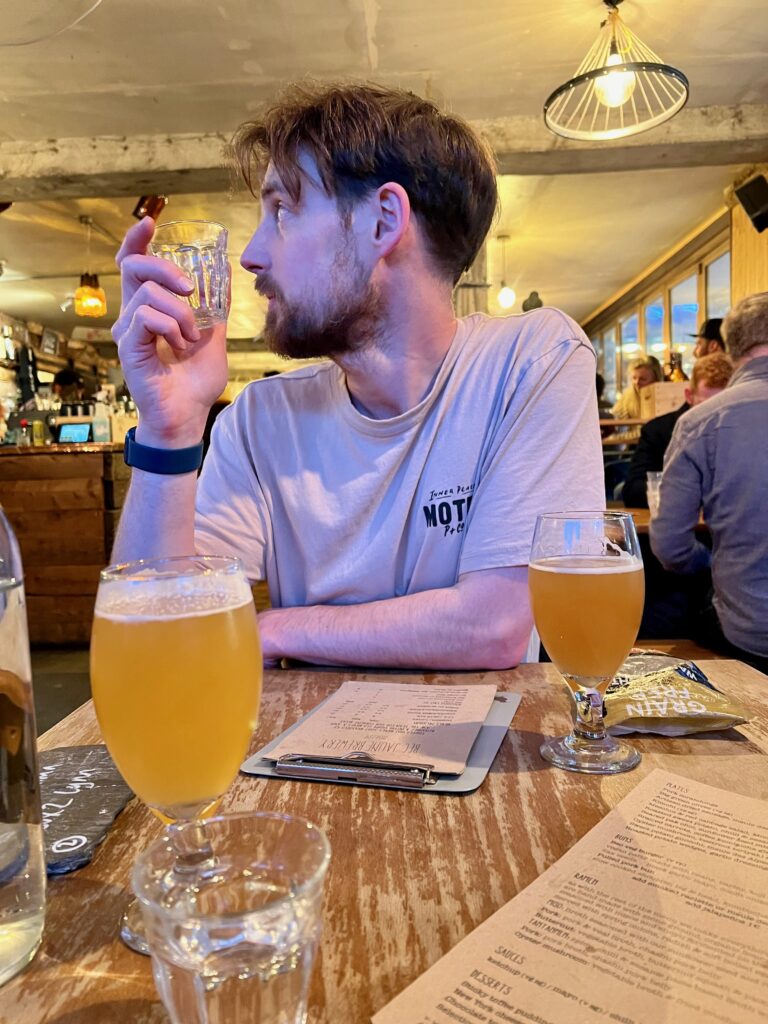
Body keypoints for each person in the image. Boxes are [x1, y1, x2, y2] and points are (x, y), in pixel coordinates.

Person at [110, 82, 604, 670]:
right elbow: (161, 648)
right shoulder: (260, 419)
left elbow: (494, 624)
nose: (251, 255)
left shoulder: (531, 361)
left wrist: (270, 629)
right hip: (294, 759)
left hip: (498, 752)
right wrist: (169, 427)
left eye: (283, 211)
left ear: (383, 221)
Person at [650, 292, 768, 671]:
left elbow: (669, 547)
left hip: (746, 635)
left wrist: (712, 560)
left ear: (731, 349)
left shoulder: (701, 422)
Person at [622, 351, 733, 508]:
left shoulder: (742, 430)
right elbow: (633, 491)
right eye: (706, 406)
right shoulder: (658, 431)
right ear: (689, 396)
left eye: (723, 406)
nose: (714, 416)